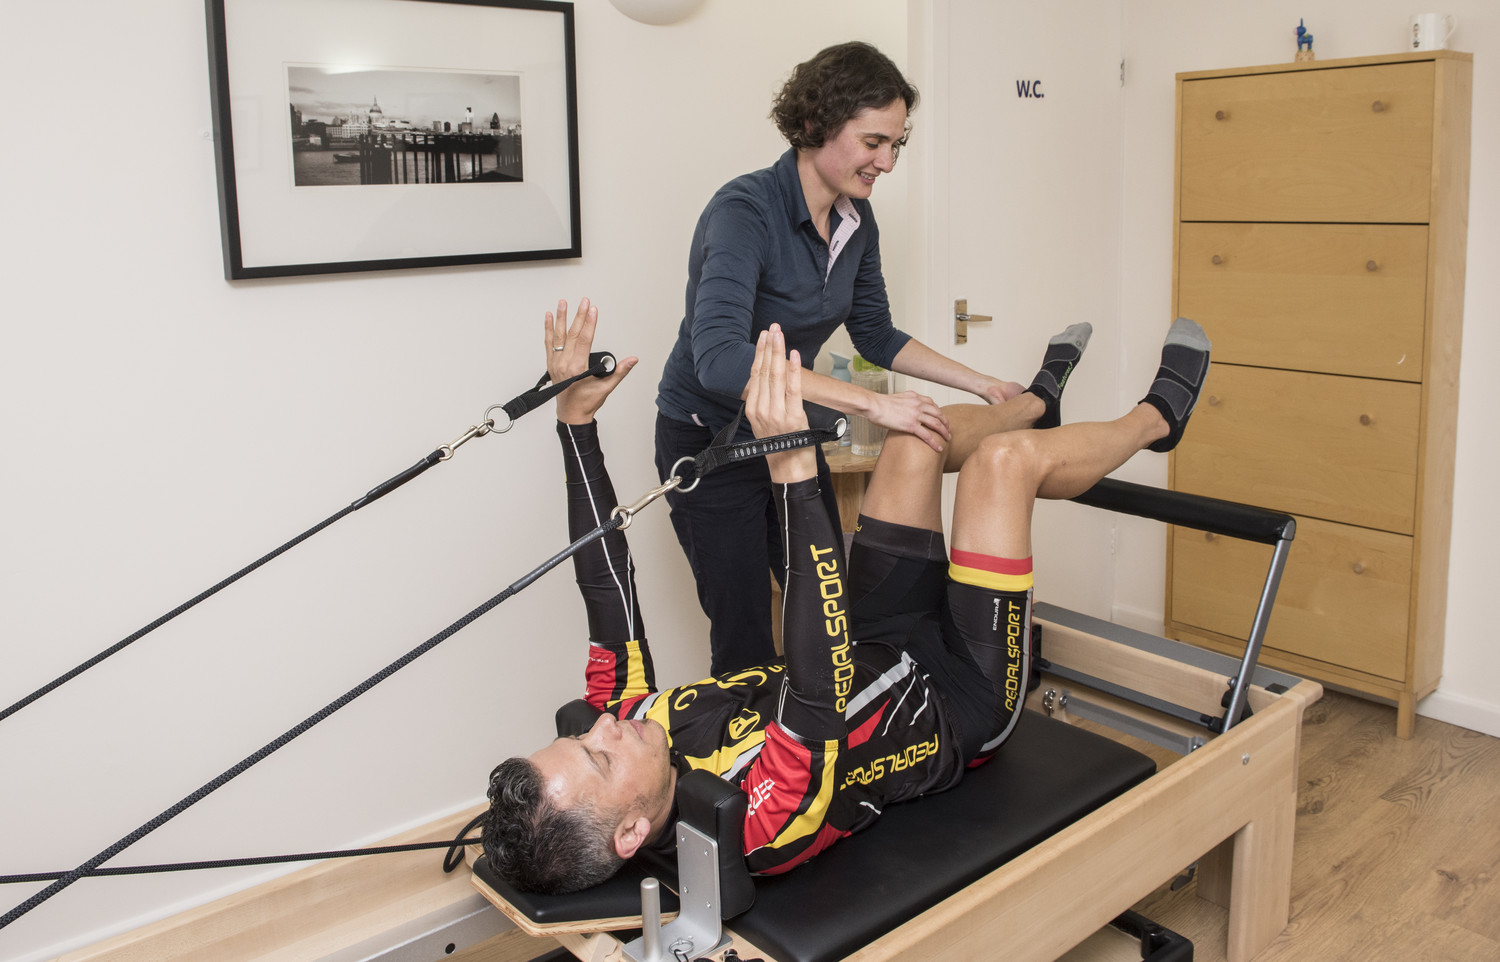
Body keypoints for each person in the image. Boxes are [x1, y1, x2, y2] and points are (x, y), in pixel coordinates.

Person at [482, 298, 1210, 895]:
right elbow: (816, 680)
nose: (605, 728)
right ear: (631, 833)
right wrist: (795, 471)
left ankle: (1032, 405)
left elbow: (605, 588)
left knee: (912, 439)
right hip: (959, 698)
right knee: (1001, 467)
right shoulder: (758, 822)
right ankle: (1157, 420)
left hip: (875, 638)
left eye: (583, 736)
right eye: (601, 757)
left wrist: (575, 423)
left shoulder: (630, 728)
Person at [655, 41, 1078, 675]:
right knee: (743, 628)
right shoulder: (745, 211)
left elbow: (875, 332)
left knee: (831, 609)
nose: (886, 161)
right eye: (873, 141)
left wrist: (984, 384)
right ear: (812, 125)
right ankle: (748, 765)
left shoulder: (858, 221)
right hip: (710, 444)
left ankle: (839, 753)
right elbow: (719, 359)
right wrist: (874, 403)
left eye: (896, 145)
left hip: (787, 438)